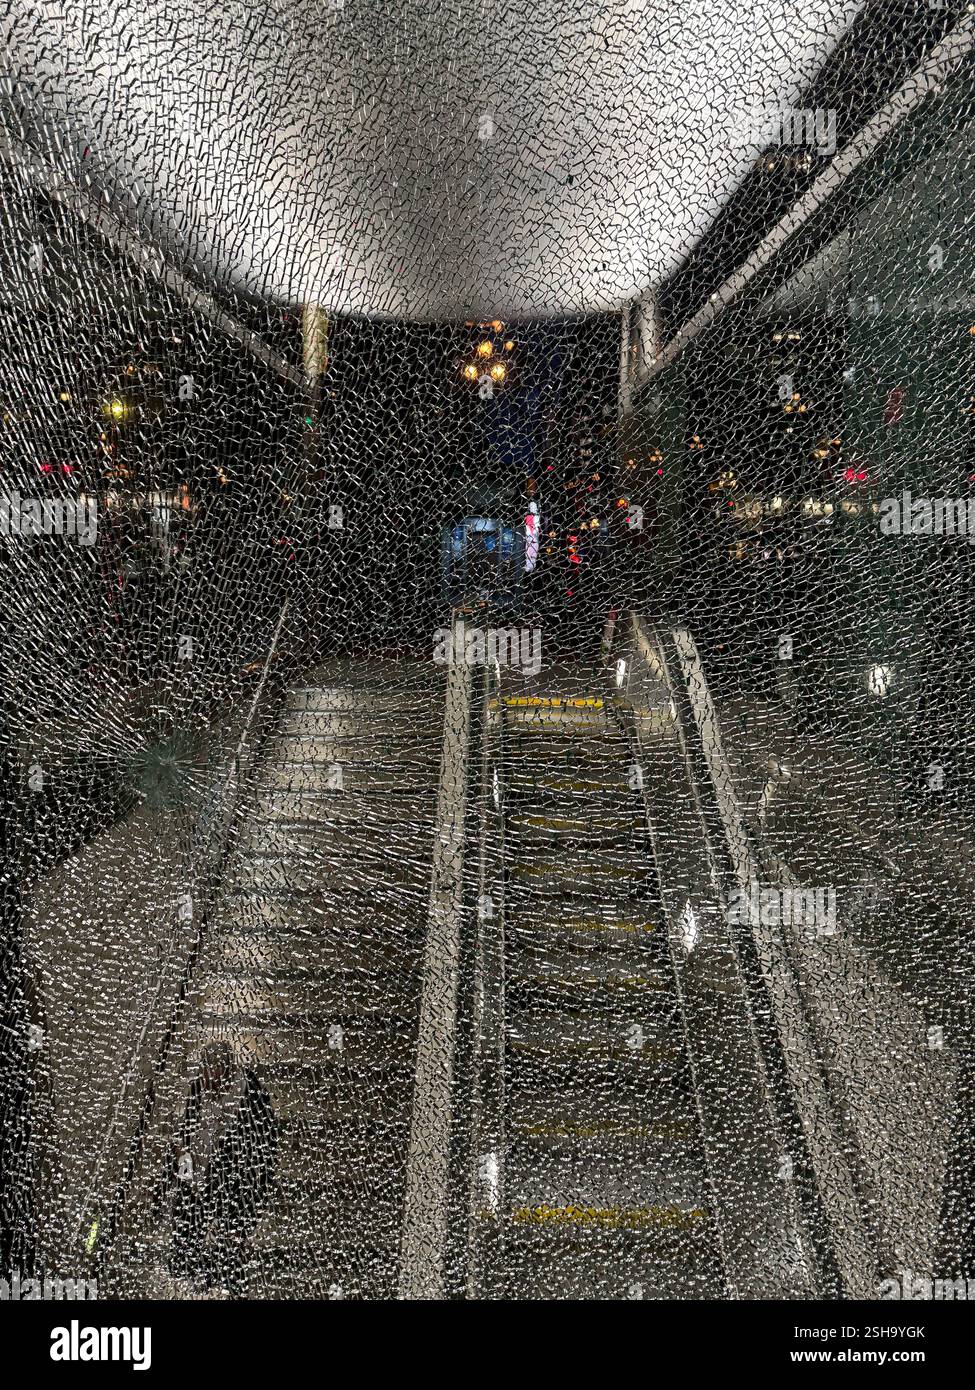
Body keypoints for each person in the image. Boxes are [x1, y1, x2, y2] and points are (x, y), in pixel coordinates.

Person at [165, 1043, 276, 1295]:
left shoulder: (253, 1101)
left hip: (231, 1195)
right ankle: (195, 1278)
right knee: (187, 1247)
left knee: (227, 1259)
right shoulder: (198, 1089)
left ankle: (225, 1282)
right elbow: (186, 1131)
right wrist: (183, 1166)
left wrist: (246, 1219)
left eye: (211, 1076)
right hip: (195, 1183)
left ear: (226, 1072)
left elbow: (263, 1164)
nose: (206, 1083)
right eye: (204, 1075)